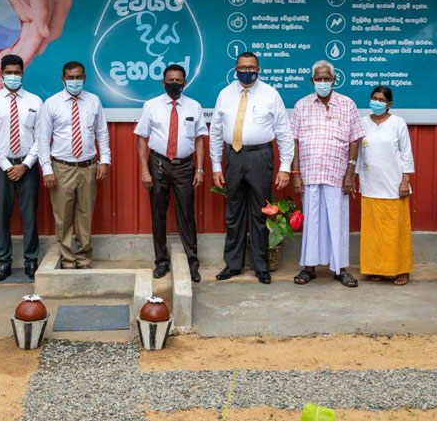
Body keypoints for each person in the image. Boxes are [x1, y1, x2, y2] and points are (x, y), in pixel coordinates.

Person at [210, 52, 293, 284]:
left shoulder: (271, 94)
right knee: (234, 212)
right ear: (236, 69)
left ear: (258, 69)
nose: (247, 71)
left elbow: (284, 132)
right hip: (233, 157)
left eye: (251, 67)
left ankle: (260, 265)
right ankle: (233, 264)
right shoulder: (225, 94)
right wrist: (216, 165)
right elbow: (216, 131)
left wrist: (285, 167)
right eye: (243, 67)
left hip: (260, 157)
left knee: (260, 212)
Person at [290, 60, 365, 288]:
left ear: (334, 79)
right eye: (319, 79)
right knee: (312, 221)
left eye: (327, 78)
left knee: (337, 220)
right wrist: (295, 172)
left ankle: (340, 269)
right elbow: (294, 141)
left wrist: (351, 173)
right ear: (312, 81)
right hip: (311, 172)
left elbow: (355, 140)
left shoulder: (347, 104)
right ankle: (309, 268)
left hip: (337, 173)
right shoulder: (301, 105)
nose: (323, 82)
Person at [134, 64, 207, 283]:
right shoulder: (151, 105)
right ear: (163, 82)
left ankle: (192, 263)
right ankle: (161, 261)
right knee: (159, 214)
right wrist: (144, 170)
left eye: (178, 80)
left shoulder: (194, 107)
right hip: (158, 164)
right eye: (170, 80)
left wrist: (200, 169)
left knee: (186, 214)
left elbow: (200, 139)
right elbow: (141, 138)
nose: (174, 84)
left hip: (185, 166)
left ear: (184, 83)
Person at [38, 61, 111, 269]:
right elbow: (43, 139)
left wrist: (104, 161)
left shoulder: (93, 101)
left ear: (84, 78)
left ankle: (84, 257)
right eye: (71, 78)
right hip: (62, 168)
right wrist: (47, 170)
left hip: (88, 167)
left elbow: (102, 133)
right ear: (63, 79)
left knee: (85, 214)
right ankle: (67, 258)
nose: (75, 81)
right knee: (63, 217)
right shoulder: (51, 103)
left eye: (78, 77)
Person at [0, 54, 43, 282]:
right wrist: (8, 166)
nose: (13, 76)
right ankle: (4, 263)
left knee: (29, 216)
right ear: (1, 74)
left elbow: (41, 137)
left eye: (17, 72)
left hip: (27, 165)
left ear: (23, 74)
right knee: (2, 215)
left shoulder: (35, 101)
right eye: (9, 73)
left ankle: (30, 261)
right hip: (1, 166)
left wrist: (25, 165)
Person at [357, 86, 415, 286]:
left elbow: (406, 153)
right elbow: (357, 153)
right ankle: (377, 269)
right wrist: (354, 178)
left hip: (394, 185)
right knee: (374, 231)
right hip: (370, 184)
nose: (377, 102)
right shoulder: (363, 122)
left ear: (389, 104)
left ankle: (401, 270)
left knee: (395, 230)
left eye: (381, 100)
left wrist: (405, 181)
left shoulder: (398, 123)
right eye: (374, 98)